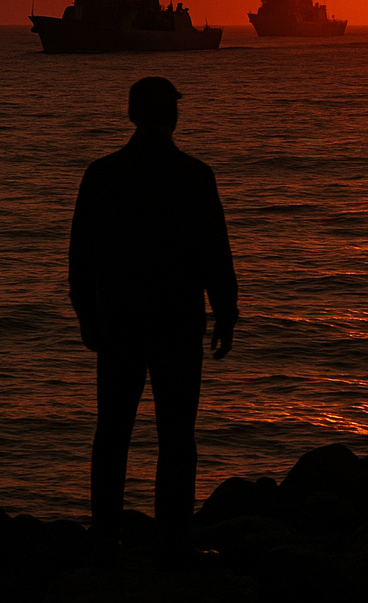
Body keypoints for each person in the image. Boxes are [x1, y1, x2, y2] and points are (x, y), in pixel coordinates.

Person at [69, 77, 238, 558]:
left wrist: (86, 314)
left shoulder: (101, 175)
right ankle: (175, 543)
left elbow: (80, 255)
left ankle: (104, 536)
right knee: (177, 435)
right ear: (173, 115)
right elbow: (214, 253)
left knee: (113, 431)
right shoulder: (194, 175)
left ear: (131, 115)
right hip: (178, 323)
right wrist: (226, 313)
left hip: (118, 321)